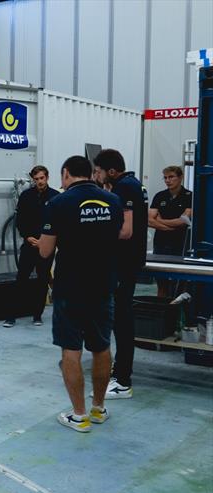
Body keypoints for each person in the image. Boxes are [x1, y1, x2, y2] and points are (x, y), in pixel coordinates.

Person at [38, 155, 123, 432]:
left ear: (65, 174)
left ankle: (79, 415)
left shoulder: (58, 203)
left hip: (70, 287)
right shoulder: (113, 201)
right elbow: (120, 235)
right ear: (91, 173)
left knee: (71, 349)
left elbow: (45, 251)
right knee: (101, 346)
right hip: (103, 285)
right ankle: (98, 409)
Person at [93, 149, 147, 400]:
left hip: (125, 263)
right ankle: (119, 372)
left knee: (122, 320)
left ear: (111, 171)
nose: (97, 175)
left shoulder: (125, 187)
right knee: (119, 318)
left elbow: (125, 231)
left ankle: (123, 379)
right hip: (126, 262)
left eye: (99, 171)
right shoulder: (130, 184)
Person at [3, 165, 59, 327]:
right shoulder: (26, 196)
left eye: (42, 178)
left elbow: (56, 222)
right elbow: (20, 221)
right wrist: (28, 237)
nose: (39, 182)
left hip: (46, 246)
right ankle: (11, 315)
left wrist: (46, 240)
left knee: (42, 280)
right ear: (33, 180)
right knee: (21, 279)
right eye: (36, 179)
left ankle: (37, 315)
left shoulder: (55, 197)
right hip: (29, 243)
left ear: (47, 177)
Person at [148, 165, 192, 297]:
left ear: (180, 178)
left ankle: (178, 312)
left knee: (181, 281)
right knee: (161, 282)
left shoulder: (189, 196)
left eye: (171, 177)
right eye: (165, 178)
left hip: (180, 244)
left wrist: (160, 221)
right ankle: (162, 312)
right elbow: (149, 220)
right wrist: (171, 226)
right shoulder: (159, 196)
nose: (168, 180)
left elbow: (184, 221)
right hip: (161, 243)